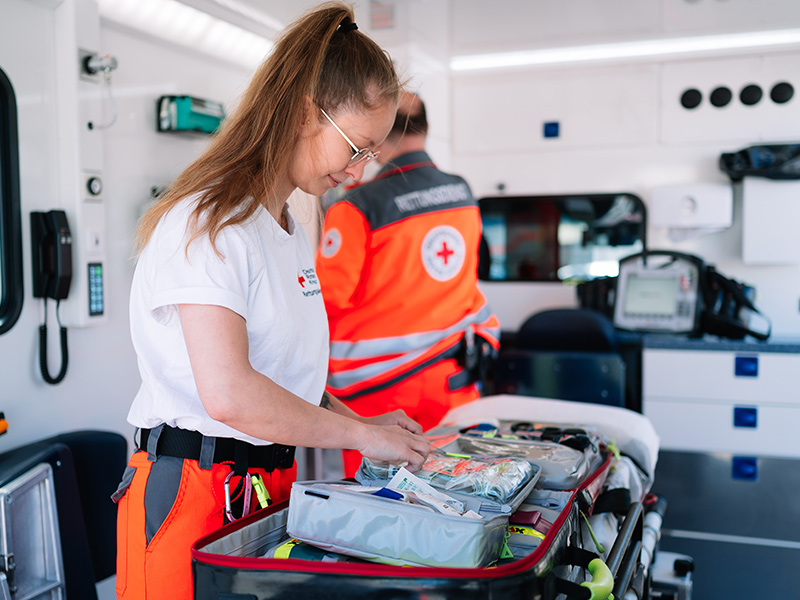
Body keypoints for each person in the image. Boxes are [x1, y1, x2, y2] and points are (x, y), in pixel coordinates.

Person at [112, 4, 430, 599]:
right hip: (195, 490)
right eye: (357, 148)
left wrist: (359, 421)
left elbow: (285, 378)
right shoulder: (209, 223)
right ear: (309, 113)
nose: (361, 173)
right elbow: (231, 393)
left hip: (264, 485)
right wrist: (362, 440)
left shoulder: (287, 225)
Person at [315, 91, 500, 478]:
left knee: (383, 500)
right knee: (462, 489)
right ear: (428, 128)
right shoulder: (462, 192)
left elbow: (327, 299)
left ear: (377, 135)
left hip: (381, 394)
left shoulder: (357, 205)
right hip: (455, 380)